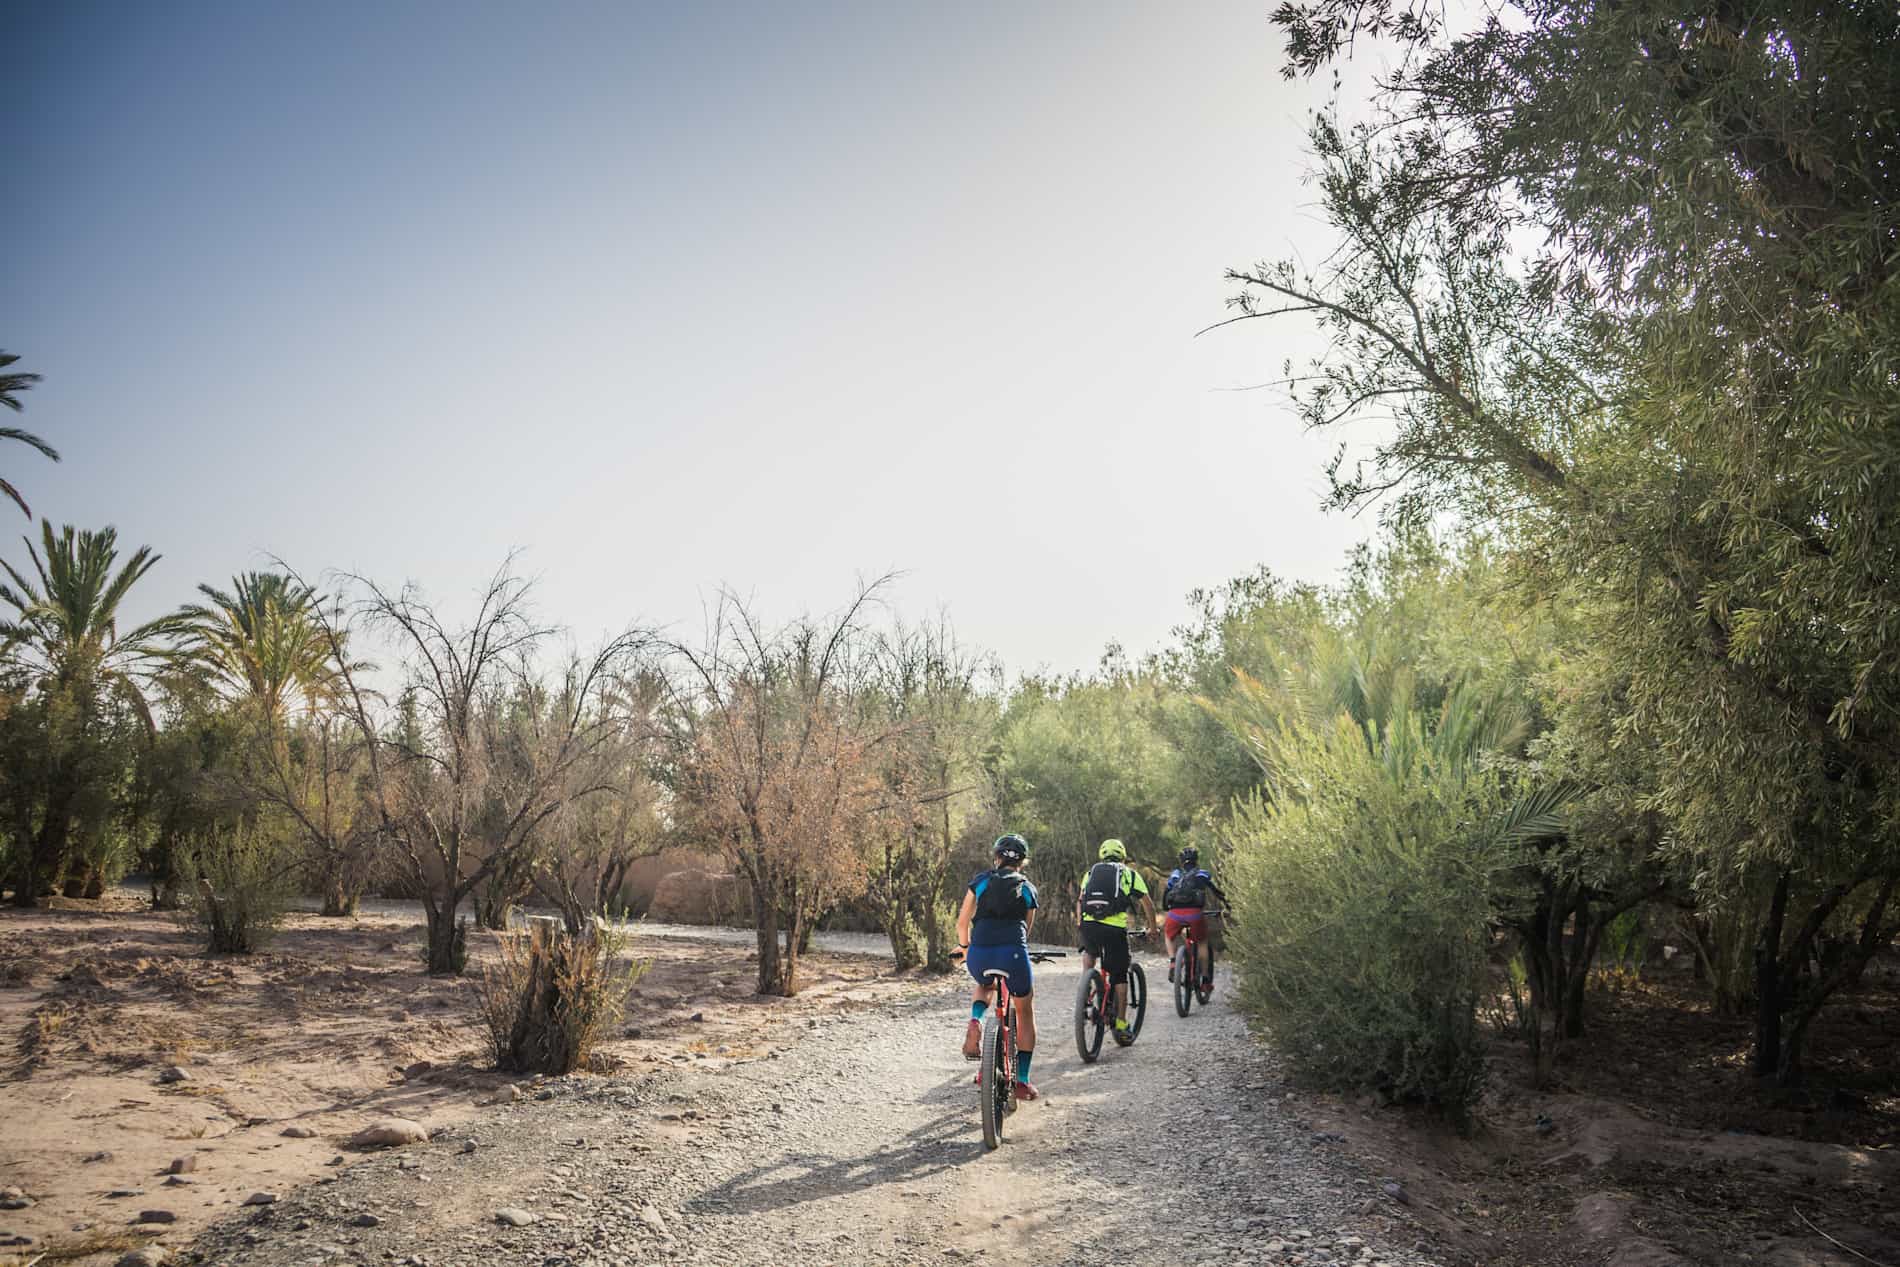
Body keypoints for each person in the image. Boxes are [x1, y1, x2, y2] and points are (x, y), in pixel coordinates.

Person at [953, 833, 1042, 1100]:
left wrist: (965, 948)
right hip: (1013, 953)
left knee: (985, 984)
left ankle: (975, 1020)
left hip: (980, 953)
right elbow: (1025, 931)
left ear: (997, 857)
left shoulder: (981, 881)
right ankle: (1022, 1082)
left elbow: (962, 923)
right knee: (1024, 1010)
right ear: (1022, 862)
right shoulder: (1027, 888)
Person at [1074, 838, 1156, 1041]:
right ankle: (1120, 1023)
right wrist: (1153, 928)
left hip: (1089, 925)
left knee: (1090, 952)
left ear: (1102, 855)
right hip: (1114, 929)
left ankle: (1086, 988)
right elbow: (1147, 903)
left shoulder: (1091, 873)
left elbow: (1080, 899)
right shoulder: (1129, 874)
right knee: (1119, 974)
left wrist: (1080, 923)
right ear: (1123, 856)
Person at [1161, 845, 1228, 986]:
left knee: (1168, 936)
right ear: (1196, 860)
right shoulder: (1202, 874)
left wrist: (1166, 908)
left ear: (1181, 861)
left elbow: (1166, 893)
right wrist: (1227, 904)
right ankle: (1205, 980)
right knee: (1202, 943)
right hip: (1195, 914)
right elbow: (1216, 892)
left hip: (1175, 914)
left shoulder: (1176, 874)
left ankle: (1173, 961)